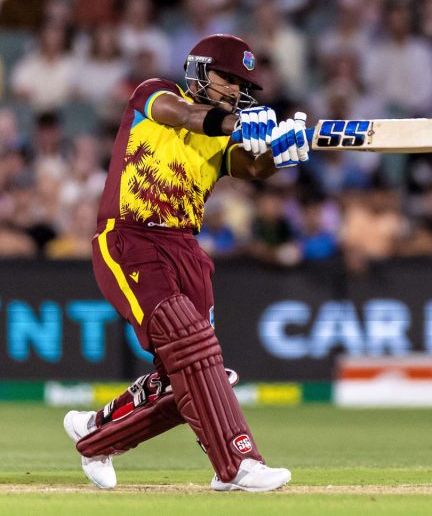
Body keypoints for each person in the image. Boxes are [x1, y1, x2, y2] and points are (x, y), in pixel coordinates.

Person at [62, 34, 306, 492]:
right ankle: (236, 465)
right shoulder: (155, 94)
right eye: (226, 77)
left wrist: (282, 151)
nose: (234, 89)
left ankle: (97, 433)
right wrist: (236, 123)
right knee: (194, 351)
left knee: (192, 374)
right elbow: (192, 116)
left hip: (186, 251)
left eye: (241, 83)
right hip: (130, 238)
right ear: (198, 70)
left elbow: (253, 168)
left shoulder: (224, 134)